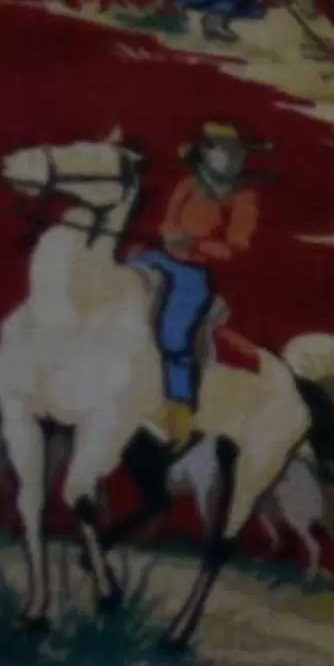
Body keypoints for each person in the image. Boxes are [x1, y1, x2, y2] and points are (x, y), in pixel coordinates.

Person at [128, 121, 265, 440]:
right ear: (204, 153)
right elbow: (168, 222)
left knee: (175, 333)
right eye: (223, 150)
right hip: (163, 257)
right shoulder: (189, 185)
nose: (231, 158)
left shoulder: (244, 198)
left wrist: (194, 244)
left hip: (194, 271)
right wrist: (170, 235)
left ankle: (178, 407)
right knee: (119, 277)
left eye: (236, 152)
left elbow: (235, 247)